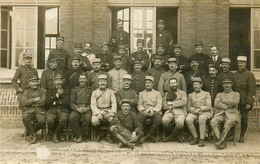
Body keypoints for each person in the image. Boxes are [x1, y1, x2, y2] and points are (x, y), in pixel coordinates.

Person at [210, 78, 240, 149]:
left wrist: (223, 100)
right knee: (213, 122)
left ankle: (220, 141)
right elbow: (216, 104)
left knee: (227, 124)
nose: (227, 85)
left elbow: (235, 102)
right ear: (223, 85)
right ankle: (221, 140)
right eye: (225, 84)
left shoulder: (236, 94)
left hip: (232, 114)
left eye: (228, 83)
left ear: (231, 85)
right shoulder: (219, 94)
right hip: (221, 113)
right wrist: (227, 106)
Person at [233, 56, 256, 143]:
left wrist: (249, 102)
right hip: (235, 100)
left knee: (244, 118)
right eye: (239, 63)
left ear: (245, 64)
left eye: (242, 63)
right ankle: (231, 135)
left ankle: (242, 136)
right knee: (231, 117)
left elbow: (252, 90)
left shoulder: (250, 75)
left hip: (244, 101)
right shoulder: (234, 74)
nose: (240, 64)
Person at [185, 77, 212, 147]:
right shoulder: (190, 95)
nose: (195, 86)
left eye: (197, 84)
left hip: (205, 112)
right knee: (188, 119)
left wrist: (200, 109)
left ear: (201, 85)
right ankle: (195, 137)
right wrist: (193, 110)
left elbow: (208, 106)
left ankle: (202, 139)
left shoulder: (206, 94)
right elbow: (188, 106)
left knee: (201, 118)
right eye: (194, 85)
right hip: (194, 112)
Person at [91, 74, 117, 142]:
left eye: (104, 81)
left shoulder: (110, 92)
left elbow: (114, 103)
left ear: (106, 82)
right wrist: (98, 113)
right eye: (101, 81)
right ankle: (98, 133)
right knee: (94, 121)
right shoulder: (94, 92)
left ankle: (108, 135)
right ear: (98, 82)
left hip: (108, 110)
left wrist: (112, 112)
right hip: (98, 110)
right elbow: (93, 105)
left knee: (112, 120)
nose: (102, 83)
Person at [22, 74, 46, 144]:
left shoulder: (43, 91)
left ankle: (32, 132)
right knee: (25, 118)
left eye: (36, 81)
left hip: (40, 110)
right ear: (29, 83)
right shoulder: (26, 91)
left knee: (42, 120)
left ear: (38, 82)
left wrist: (29, 102)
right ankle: (33, 134)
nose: (35, 83)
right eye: (32, 81)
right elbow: (24, 103)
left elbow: (43, 102)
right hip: (29, 110)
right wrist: (34, 100)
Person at [46, 73, 70, 143]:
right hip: (52, 110)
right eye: (57, 80)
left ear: (62, 82)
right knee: (50, 120)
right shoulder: (50, 91)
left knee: (64, 119)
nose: (58, 82)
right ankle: (58, 133)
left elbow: (67, 102)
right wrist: (57, 95)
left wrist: (55, 103)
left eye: (60, 80)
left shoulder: (67, 90)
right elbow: (47, 102)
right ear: (54, 82)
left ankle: (56, 134)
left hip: (63, 110)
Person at [137, 76, 162, 143]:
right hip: (144, 110)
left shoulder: (157, 93)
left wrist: (153, 111)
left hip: (155, 111)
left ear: (152, 84)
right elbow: (139, 104)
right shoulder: (141, 93)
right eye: (146, 83)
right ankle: (146, 134)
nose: (147, 84)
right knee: (139, 118)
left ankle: (147, 136)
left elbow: (159, 104)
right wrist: (143, 110)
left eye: (149, 83)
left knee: (158, 119)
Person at [162, 78, 187, 143]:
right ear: (169, 85)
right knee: (164, 121)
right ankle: (177, 135)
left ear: (177, 83)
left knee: (179, 123)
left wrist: (172, 104)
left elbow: (184, 102)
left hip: (180, 111)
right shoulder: (167, 94)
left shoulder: (182, 93)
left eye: (174, 83)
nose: (173, 85)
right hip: (169, 111)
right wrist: (170, 107)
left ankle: (170, 137)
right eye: (171, 83)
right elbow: (164, 105)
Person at [69, 72, 92, 143]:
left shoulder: (90, 90)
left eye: (84, 79)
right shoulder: (74, 90)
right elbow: (71, 102)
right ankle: (79, 135)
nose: (82, 80)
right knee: (72, 117)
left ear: (87, 80)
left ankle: (82, 135)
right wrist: (77, 108)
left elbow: (93, 102)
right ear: (78, 80)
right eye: (81, 79)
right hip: (77, 109)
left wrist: (88, 108)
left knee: (87, 119)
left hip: (87, 108)